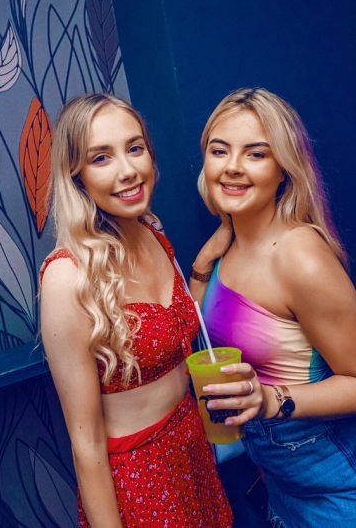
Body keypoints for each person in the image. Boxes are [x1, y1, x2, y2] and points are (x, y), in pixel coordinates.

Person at [190, 88, 356, 527]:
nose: (232, 166)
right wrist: (200, 269)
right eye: (220, 150)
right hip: (282, 484)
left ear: (283, 170)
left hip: (343, 489)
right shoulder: (226, 244)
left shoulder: (300, 256)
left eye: (256, 154)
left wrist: (270, 399)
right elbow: (201, 332)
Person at [39, 93, 232, 527]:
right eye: (101, 157)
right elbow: (86, 443)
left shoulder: (152, 229)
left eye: (135, 147)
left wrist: (204, 261)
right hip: (141, 478)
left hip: (193, 448)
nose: (128, 170)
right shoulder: (67, 277)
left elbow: (174, 324)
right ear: (77, 176)